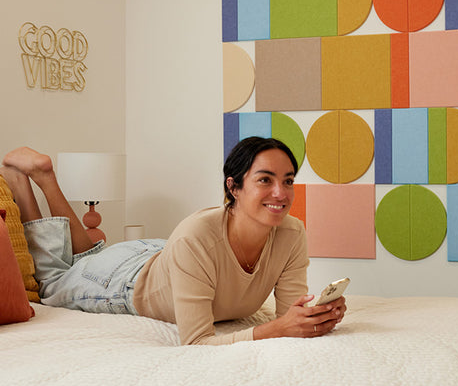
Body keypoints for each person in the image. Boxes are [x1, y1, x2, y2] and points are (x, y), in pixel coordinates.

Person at [0, 138, 346, 345]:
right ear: (234, 187)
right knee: (54, 280)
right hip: (125, 281)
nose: (280, 193)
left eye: (288, 181)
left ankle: (45, 177)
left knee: (85, 258)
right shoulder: (198, 233)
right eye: (265, 180)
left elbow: (288, 318)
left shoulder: (292, 232)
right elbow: (197, 342)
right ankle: (23, 179)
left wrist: (316, 317)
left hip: (164, 255)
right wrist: (276, 329)